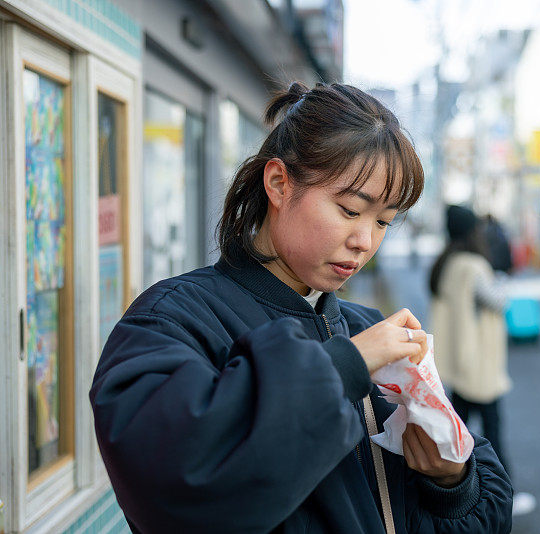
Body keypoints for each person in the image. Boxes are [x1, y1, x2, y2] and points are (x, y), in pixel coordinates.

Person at [90, 82, 512, 533]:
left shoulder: (366, 330)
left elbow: (466, 501)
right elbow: (178, 484)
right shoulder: (171, 321)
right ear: (278, 183)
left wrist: (451, 483)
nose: (365, 240)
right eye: (350, 210)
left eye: (384, 221)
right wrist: (343, 367)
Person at [429, 205, 535, 516]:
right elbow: (497, 301)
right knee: (491, 430)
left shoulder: (445, 263)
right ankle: (504, 496)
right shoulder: (473, 266)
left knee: (457, 431)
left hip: (458, 364)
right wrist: (503, 282)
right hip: (478, 366)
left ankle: (458, 493)